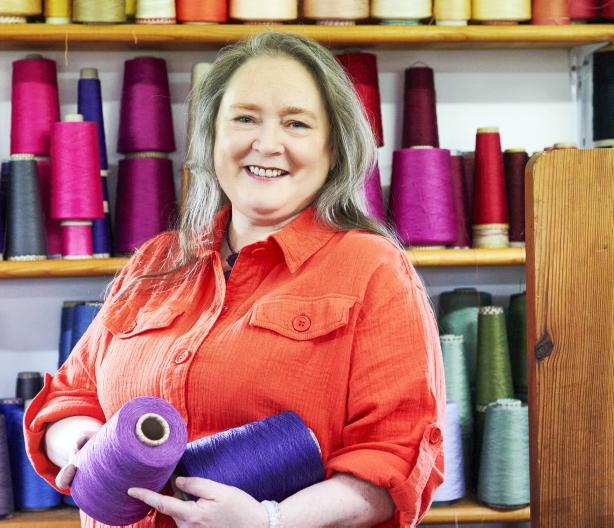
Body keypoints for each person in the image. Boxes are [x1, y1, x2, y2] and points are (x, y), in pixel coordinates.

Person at [24, 31, 445, 528]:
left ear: (333, 147)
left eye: (296, 123)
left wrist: (270, 521)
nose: (266, 144)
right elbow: (69, 395)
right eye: (244, 118)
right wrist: (81, 440)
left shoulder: (373, 269)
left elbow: (396, 456)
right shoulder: (157, 262)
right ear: (212, 137)